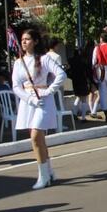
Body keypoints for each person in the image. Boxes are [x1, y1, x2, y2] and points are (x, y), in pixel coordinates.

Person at [11, 29, 67, 189]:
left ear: (35, 41)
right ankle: (48, 172)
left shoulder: (44, 59)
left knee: (35, 136)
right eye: (22, 39)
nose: (24, 42)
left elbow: (61, 74)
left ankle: (42, 176)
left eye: (27, 39)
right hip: (29, 102)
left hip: (43, 100)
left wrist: (49, 90)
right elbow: (16, 86)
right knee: (39, 139)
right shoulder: (18, 62)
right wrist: (29, 99)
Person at [67, 47, 92, 122]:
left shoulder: (71, 61)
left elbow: (68, 71)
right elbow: (87, 72)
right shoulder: (83, 61)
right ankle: (83, 118)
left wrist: (72, 77)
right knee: (84, 99)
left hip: (75, 81)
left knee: (78, 97)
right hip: (83, 81)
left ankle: (74, 114)